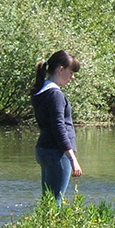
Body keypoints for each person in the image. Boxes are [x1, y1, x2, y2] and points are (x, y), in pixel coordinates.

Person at [30, 50, 83, 205]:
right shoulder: (55, 94)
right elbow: (59, 128)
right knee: (55, 202)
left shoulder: (41, 91)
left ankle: (44, 227)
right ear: (61, 69)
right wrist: (72, 158)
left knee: (48, 201)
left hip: (43, 149)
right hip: (57, 153)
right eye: (71, 72)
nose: (72, 77)